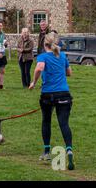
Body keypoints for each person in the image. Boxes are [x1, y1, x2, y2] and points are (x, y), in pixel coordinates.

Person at [29, 32, 75, 170]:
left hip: (48, 95)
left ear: (45, 44)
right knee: (64, 123)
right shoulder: (62, 56)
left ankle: (47, 152)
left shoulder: (42, 56)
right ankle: (69, 150)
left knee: (46, 121)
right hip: (64, 94)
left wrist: (34, 82)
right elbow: (69, 73)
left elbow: (39, 68)